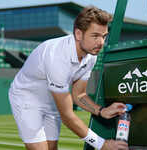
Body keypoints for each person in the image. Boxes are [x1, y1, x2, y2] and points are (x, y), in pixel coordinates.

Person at [9, 6, 129, 150]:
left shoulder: (91, 56)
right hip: (27, 99)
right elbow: (67, 116)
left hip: (51, 100)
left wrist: (101, 111)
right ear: (78, 34)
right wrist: (102, 144)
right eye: (95, 36)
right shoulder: (57, 57)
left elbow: (79, 95)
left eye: (104, 36)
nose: (101, 42)